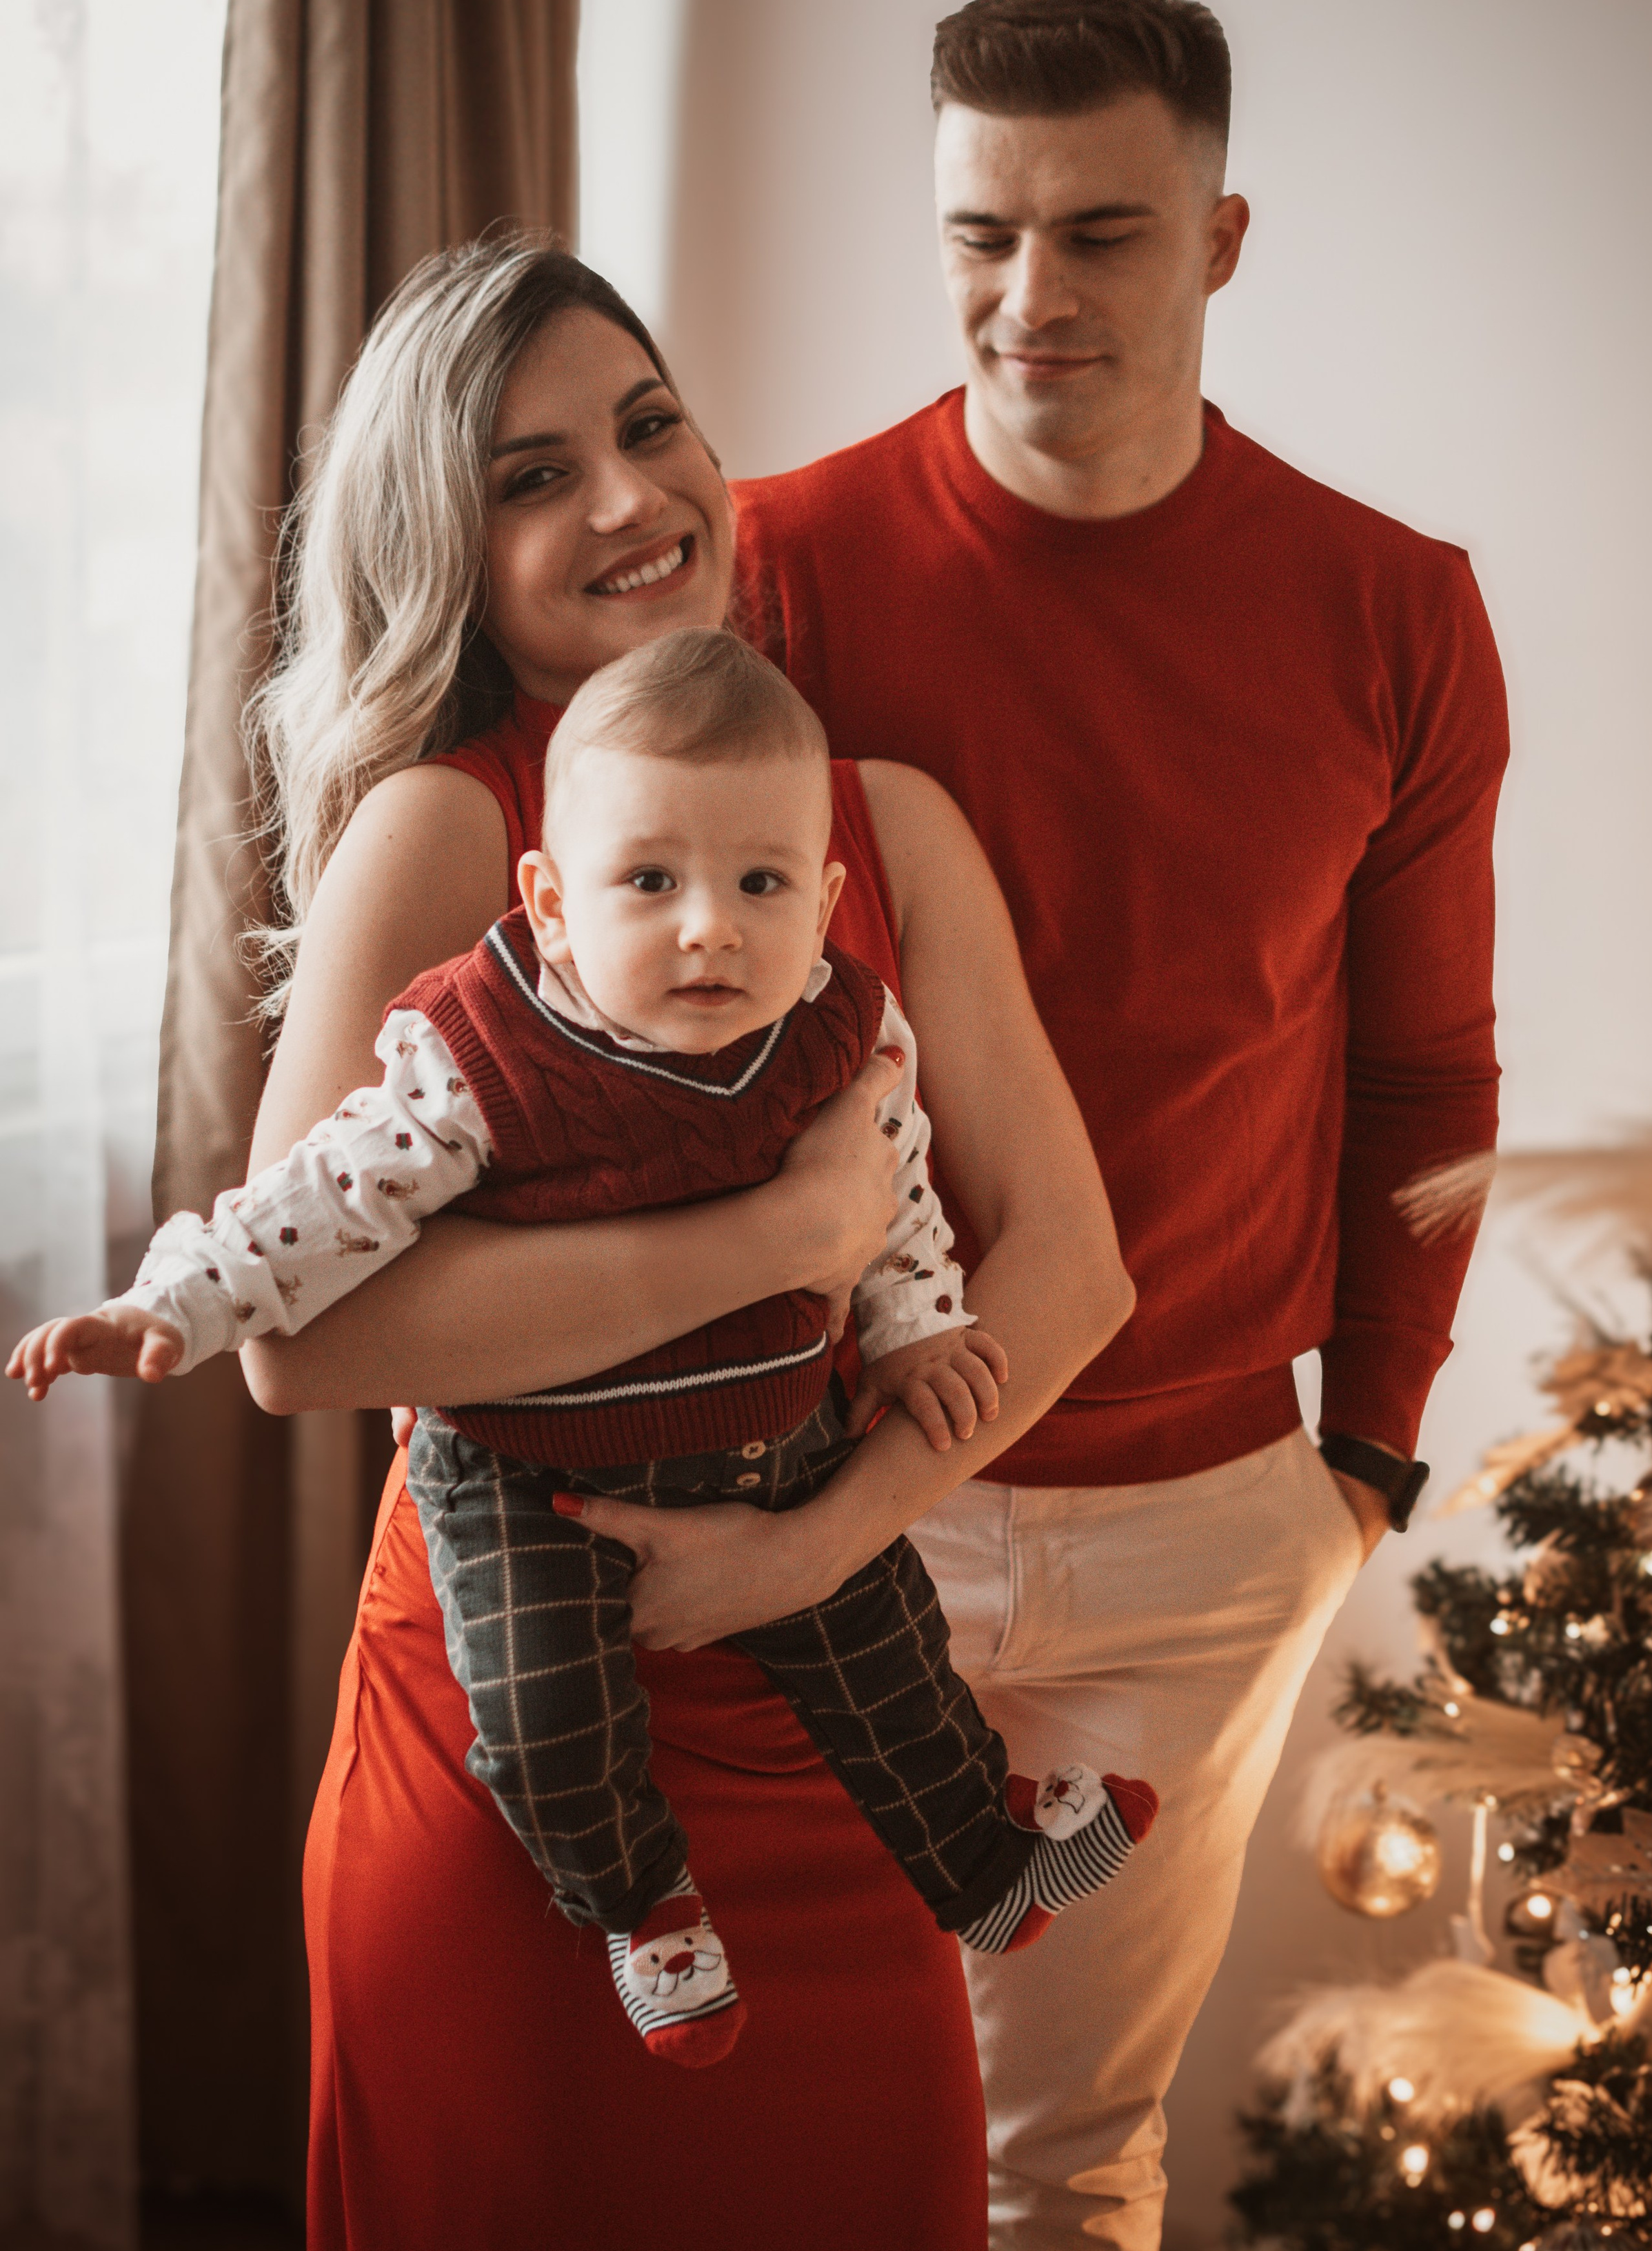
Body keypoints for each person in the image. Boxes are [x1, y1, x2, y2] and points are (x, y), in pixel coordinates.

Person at [192, 232, 1134, 2251]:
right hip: (514, 1763)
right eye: (533, 475)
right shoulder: (442, 834)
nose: (628, 499)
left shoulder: (886, 820)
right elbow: (298, 1347)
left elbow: (1070, 1270)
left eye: (646, 425)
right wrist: (788, 1234)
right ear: (451, 547)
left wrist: (827, 1541)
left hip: (840, 1738)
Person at [725, 0, 1509, 2251]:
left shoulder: (1397, 613)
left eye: (1101, 235)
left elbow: (1427, 1085)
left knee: (1066, 2179)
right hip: (835, 1482)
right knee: (774, 2125)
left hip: (1200, 1526)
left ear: (1224, 240)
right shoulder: (781, 567)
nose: (1028, 295)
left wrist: (1364, 1455)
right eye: (980, 231)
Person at [18, 632, 1155, 2068]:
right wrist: (171, 1306)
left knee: (886, 1649)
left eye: (759, 885)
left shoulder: (831, 1031)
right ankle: (639, 1908)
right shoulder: (480, 1056)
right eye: (649, 884)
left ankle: (981, 1866)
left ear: (824, 901)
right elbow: (320, 1200)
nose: (709, 930)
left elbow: (900, 1189)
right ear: (551, 905)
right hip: (526, 1476)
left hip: (772, 1442)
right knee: (546, 1715)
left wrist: (914, 1328)